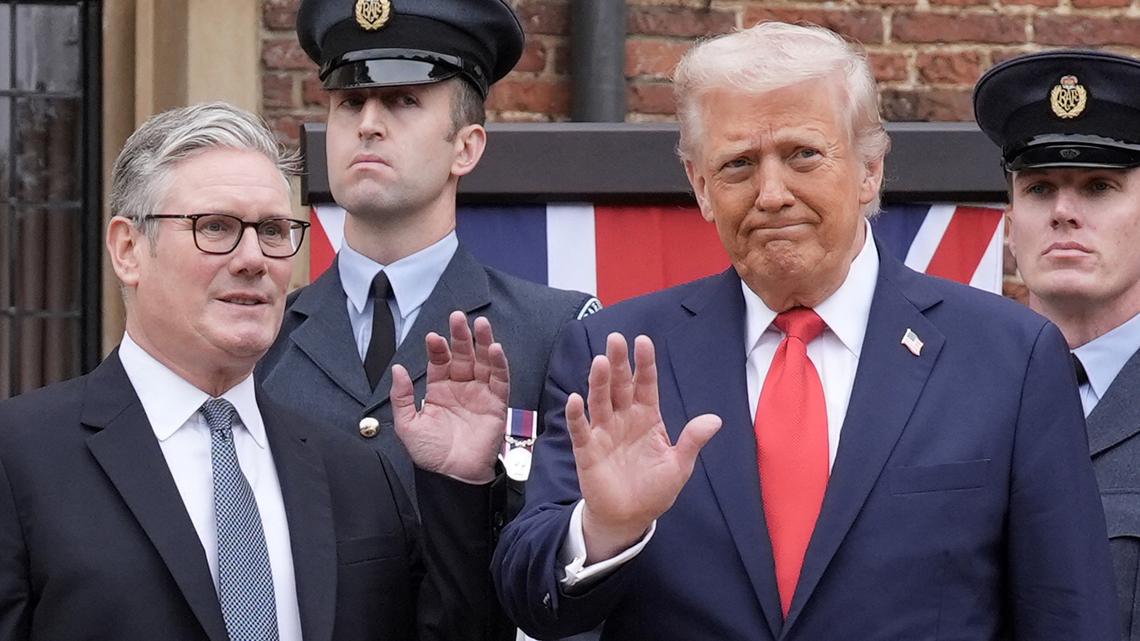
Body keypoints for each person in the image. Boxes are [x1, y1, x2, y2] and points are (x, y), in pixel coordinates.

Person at [493, 22, 1119, 640]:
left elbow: (1068, 613)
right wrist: (605, 528)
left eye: (803, 155)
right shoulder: (618, 356)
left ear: (870, 169)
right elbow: (531, 598)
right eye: (738, 164)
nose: (771, 193)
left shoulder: (1008, 356)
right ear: (701, 187)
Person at [0, 102, 509, 641]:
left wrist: (460, 487)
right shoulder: (19, 457)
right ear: (129, 249)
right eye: (215, 227)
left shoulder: (355, 476)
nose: (253, 259)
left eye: (271, 230)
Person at [975, 50, 1140, 640]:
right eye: (1040, 188)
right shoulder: (949, 394)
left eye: (1099, 187)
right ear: (1010, 222)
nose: (1064, 212)